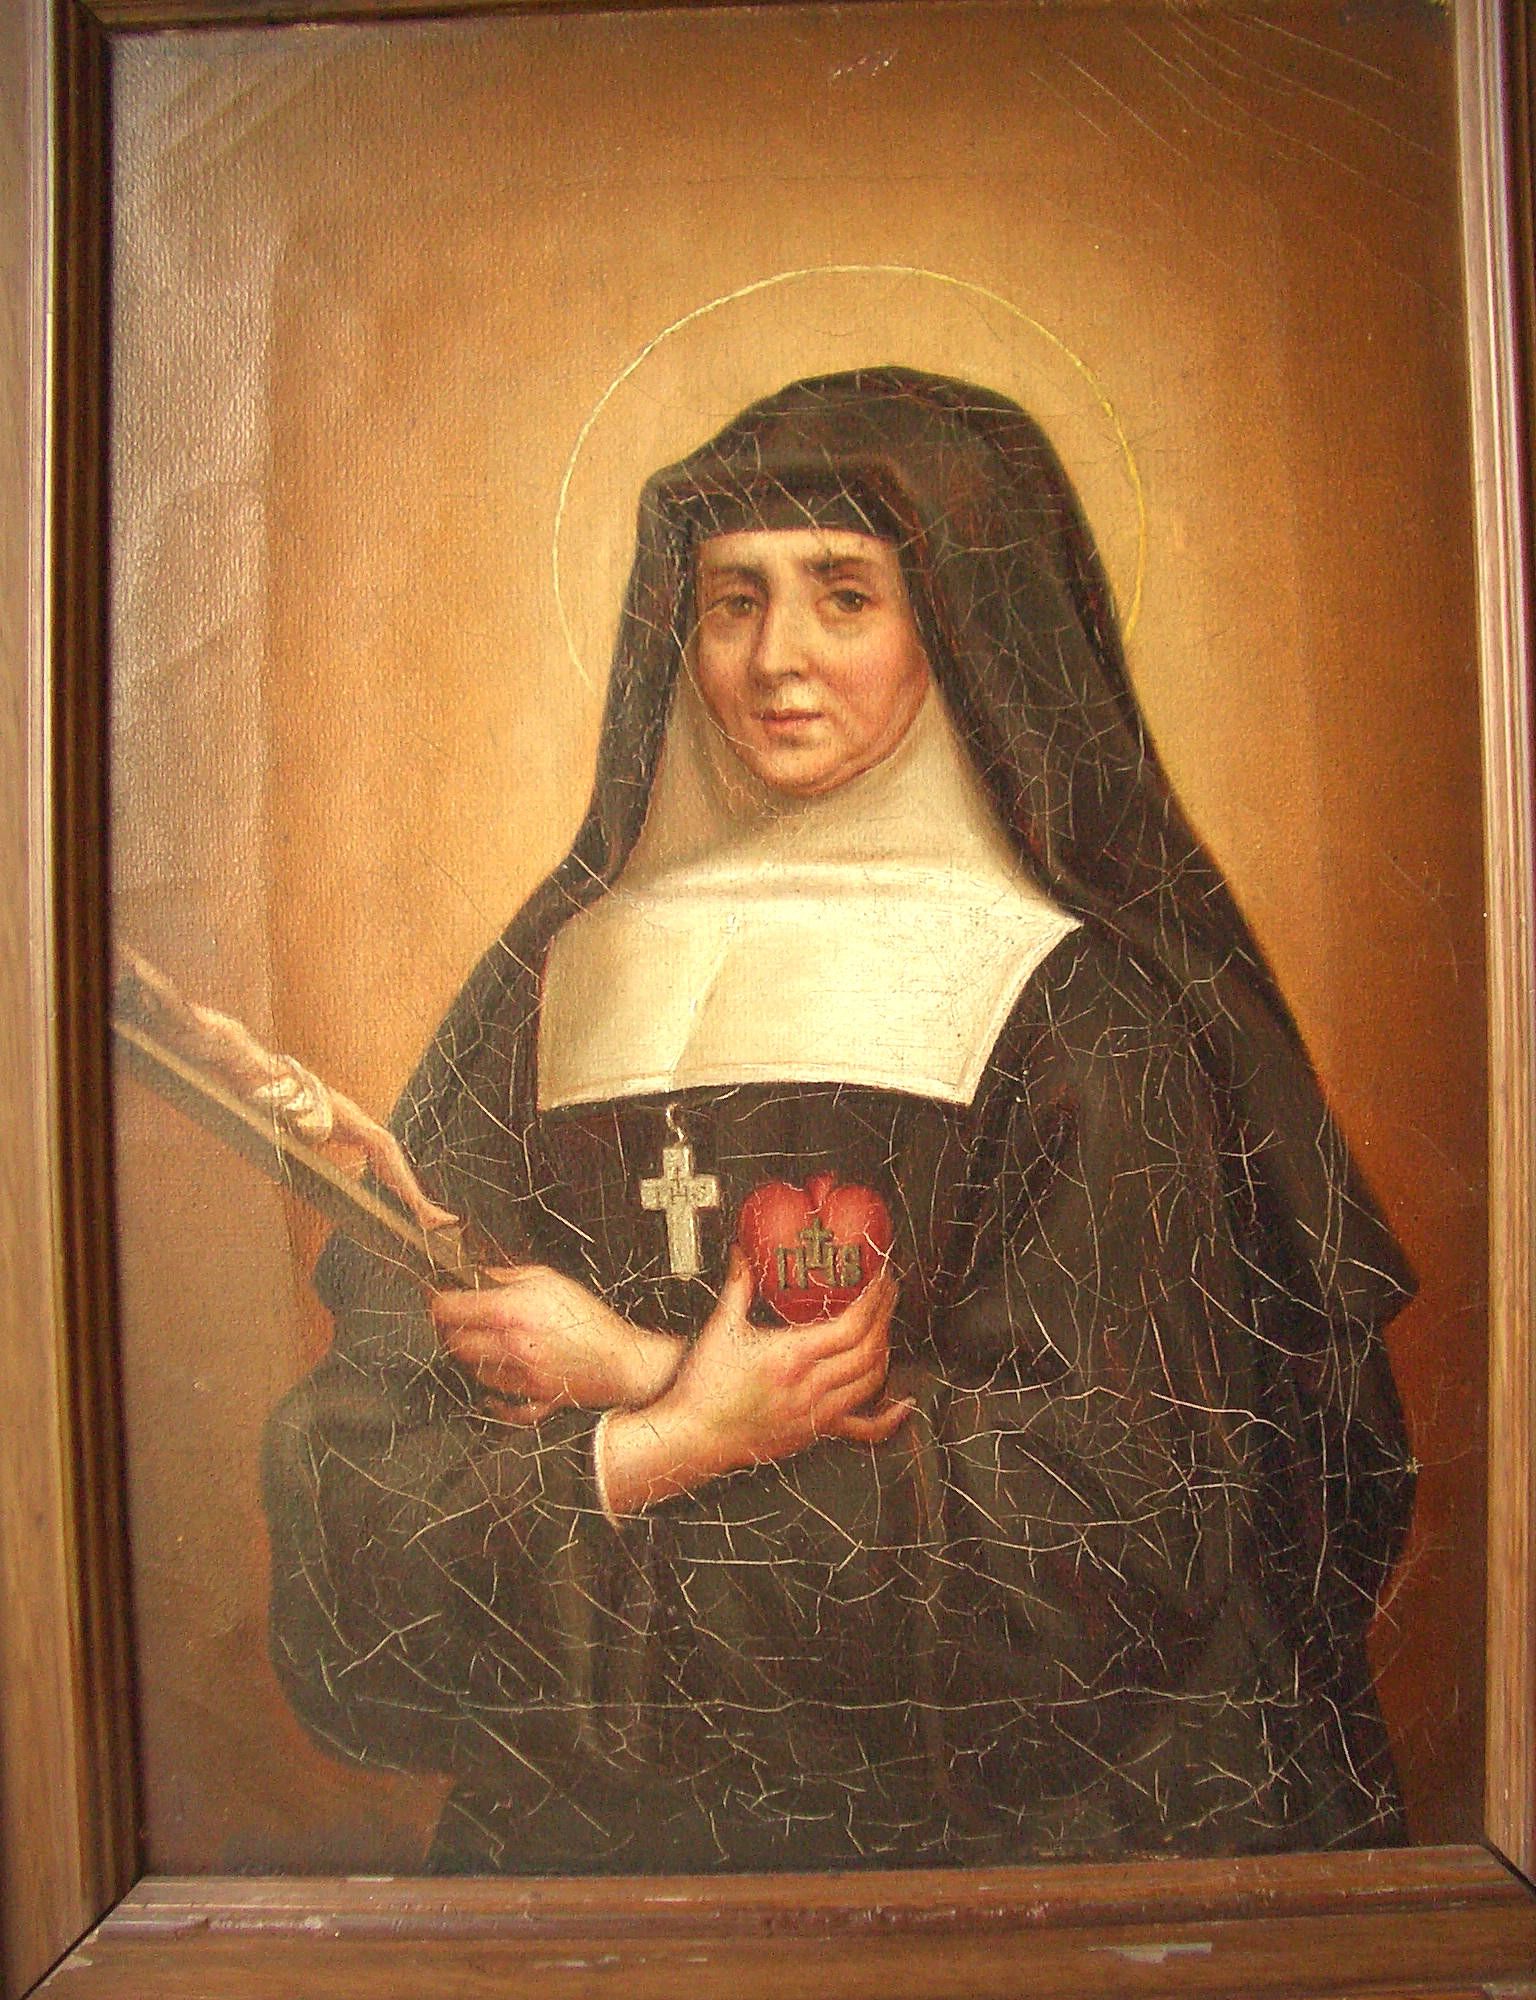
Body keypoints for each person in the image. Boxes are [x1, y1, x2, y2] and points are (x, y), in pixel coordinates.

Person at [262, 366, 1415, 1875]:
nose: (774, 660)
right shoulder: (543, 994)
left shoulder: (1088, 1021)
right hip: (591, 1886)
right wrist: (659, 1445)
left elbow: (1111, 1556)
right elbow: (354, 1545)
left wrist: (651, 1391)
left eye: (845, 597)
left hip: (1015, 1876)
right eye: (732, 600)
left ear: (959, 630)